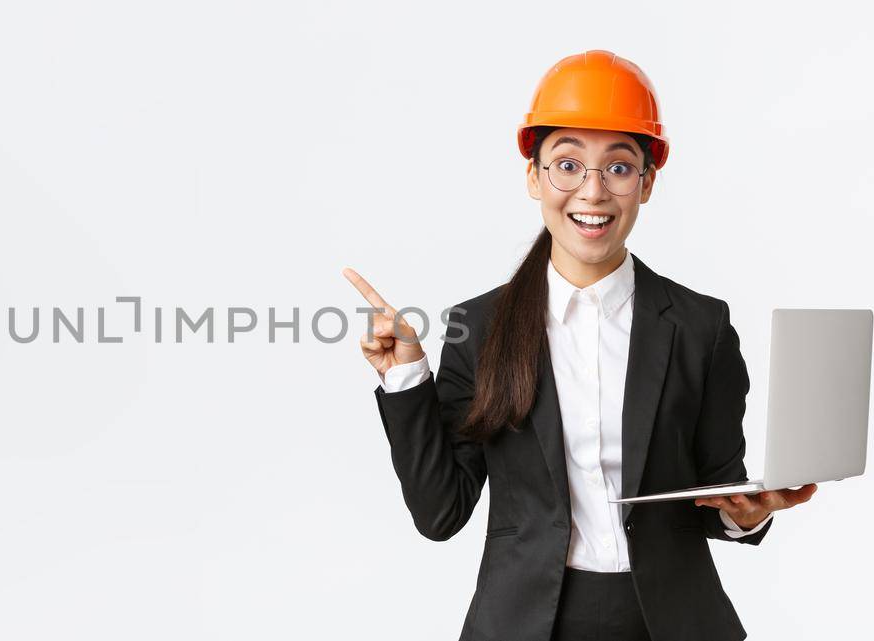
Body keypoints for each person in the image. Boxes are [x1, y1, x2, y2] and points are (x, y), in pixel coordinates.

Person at [341, 50, 817, 641]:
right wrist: (406, 377)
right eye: (568, 164)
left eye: (618, 168)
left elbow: (718, 485)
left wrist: (747, 515)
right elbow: (441, 514)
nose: (592, 191)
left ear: (646, 183)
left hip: (669, 623)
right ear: (534, 176)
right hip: (527, 623)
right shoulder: (479, 329)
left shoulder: (701, 327)